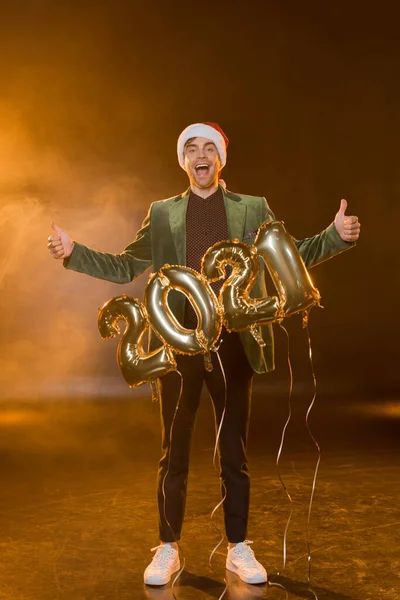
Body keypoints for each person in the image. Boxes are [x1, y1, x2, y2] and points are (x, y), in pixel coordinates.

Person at [47, 122, 361, 586]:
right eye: (191, 148)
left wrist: (334, 235)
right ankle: (168, 547)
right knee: (173, 451)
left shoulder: (252, 208)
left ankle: (238, 547)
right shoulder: (161, 214)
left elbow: (287, 258)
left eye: (209, 147)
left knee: (233, 449)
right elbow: (123, 266)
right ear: (183, 161)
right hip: (177, 344)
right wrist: (74, 252)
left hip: (235, 343)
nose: (201, 154)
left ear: (221, 159)